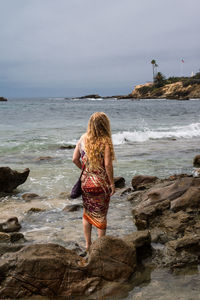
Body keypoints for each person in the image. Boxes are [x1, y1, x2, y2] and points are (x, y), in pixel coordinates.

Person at [72, 112, 115, 252]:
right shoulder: (106, 141)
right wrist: (112, 183)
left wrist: (86, 172)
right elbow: (108, 165)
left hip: (86, 183)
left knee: (87, 213)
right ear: (105, 125)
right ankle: (100, 249)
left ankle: (88, 245)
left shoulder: (83, 138)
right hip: (100, 184)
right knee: (101, 216)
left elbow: (75, 159)